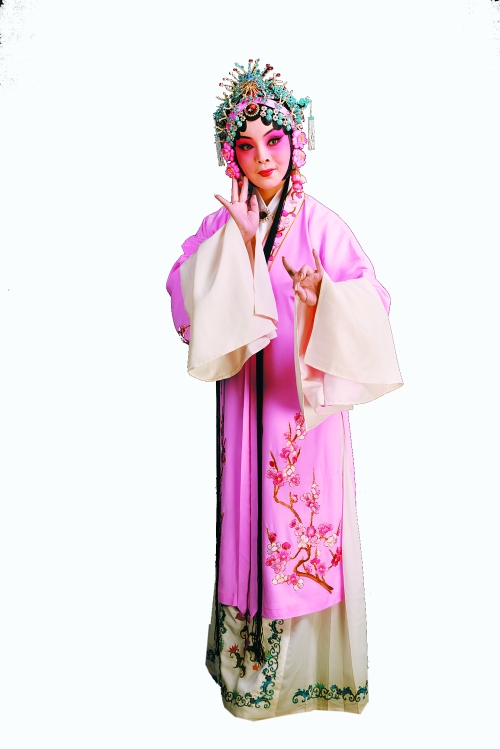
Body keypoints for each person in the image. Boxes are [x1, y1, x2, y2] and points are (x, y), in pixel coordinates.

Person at [166, 59, 403, 720]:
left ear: (296, 143)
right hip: (246, 404)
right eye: (247, 145)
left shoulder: (323, 226)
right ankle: (247, 668)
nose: (263, 157)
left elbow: (376, 302)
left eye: (273, 140)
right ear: (231, 155)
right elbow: (180, 292)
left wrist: (325, 296)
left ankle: (308, 671)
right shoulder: (222, 225)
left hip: (302, 411)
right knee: (246, 520)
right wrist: (236, 249)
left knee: (300, 530)